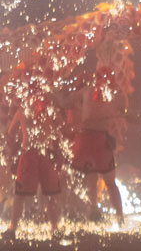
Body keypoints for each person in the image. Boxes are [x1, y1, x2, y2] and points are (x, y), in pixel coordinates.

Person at [68, 75, 125, 228]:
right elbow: (69, 102)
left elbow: (122, 108)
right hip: (90, 139)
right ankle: (97, 211)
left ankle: (116, 215)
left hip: (95, 140)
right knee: (96, 179)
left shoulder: (107, 94)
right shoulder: (92, 92)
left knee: (102, 180)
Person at [4, 96, 64, 240]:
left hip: (45, 153)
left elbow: (60, 127)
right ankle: (13, 228)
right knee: (21, 193)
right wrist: (11, 149)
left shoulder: (48, 109)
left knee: (51, 194)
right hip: (30, 154)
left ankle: (54, 228)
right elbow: (10, 132)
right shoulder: (23, 110)